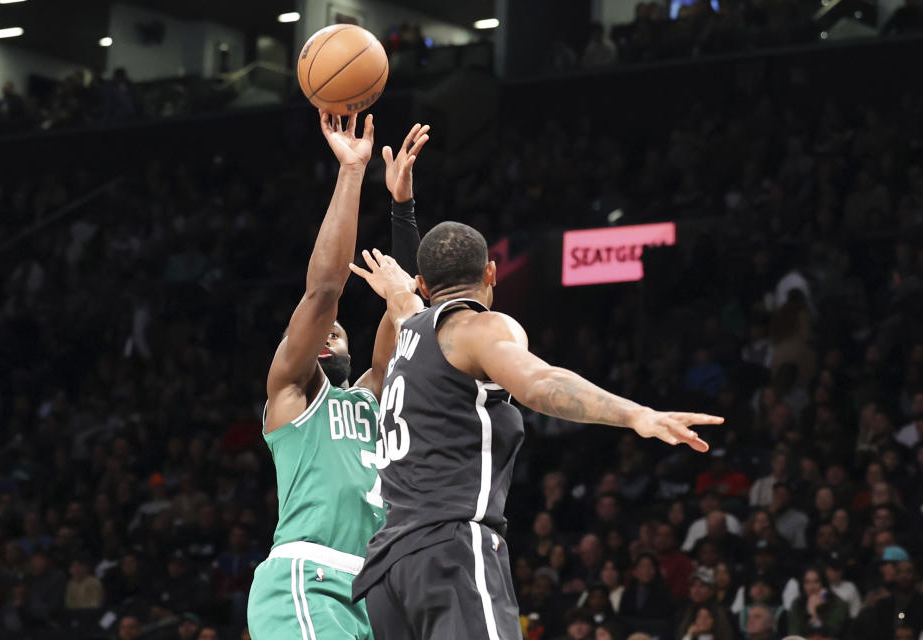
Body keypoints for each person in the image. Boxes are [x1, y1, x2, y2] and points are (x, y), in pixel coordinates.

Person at [349, 223, 723, 639]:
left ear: (423, 283)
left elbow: (402, 301)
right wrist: (636, 414)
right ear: (491, 272)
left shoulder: (406, 330)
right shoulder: (477, 328)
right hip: (448, 548)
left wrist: (403, 211)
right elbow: (539, 383)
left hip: (384, 572)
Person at [245, 113, 431, 640]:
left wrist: (402, 209)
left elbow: (405, 305)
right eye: (322, 333)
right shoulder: (293, 394)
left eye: (339, 334)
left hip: (375, 594)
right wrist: (353, 171)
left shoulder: (373, 396)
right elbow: (324, 293)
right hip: (310, 575)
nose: (330, 335)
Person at [786, 567, 849, 639]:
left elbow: (831, 634)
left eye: (816, 582)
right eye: (807, 582)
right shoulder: (797, 604)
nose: (811, 587)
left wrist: (814, 616)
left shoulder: (838, 604)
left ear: (824, 584)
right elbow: (794, 635)